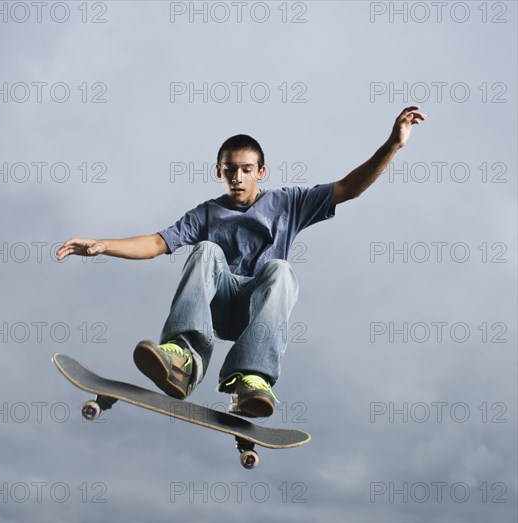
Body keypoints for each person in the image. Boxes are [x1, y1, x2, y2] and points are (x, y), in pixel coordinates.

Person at [56, 105, 427, 417]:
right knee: (206, 250)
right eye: (230, 170)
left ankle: (251, 379)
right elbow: (156, 242)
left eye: (246, 170)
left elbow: (348, 188)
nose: (237, 178)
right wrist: (104, 245)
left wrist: (393, 145)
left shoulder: (289, 202)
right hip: (214, 311)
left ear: (260, 172)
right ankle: (183, 360)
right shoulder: (207, 213)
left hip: (256, 315)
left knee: (280, 270)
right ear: (219, 172)